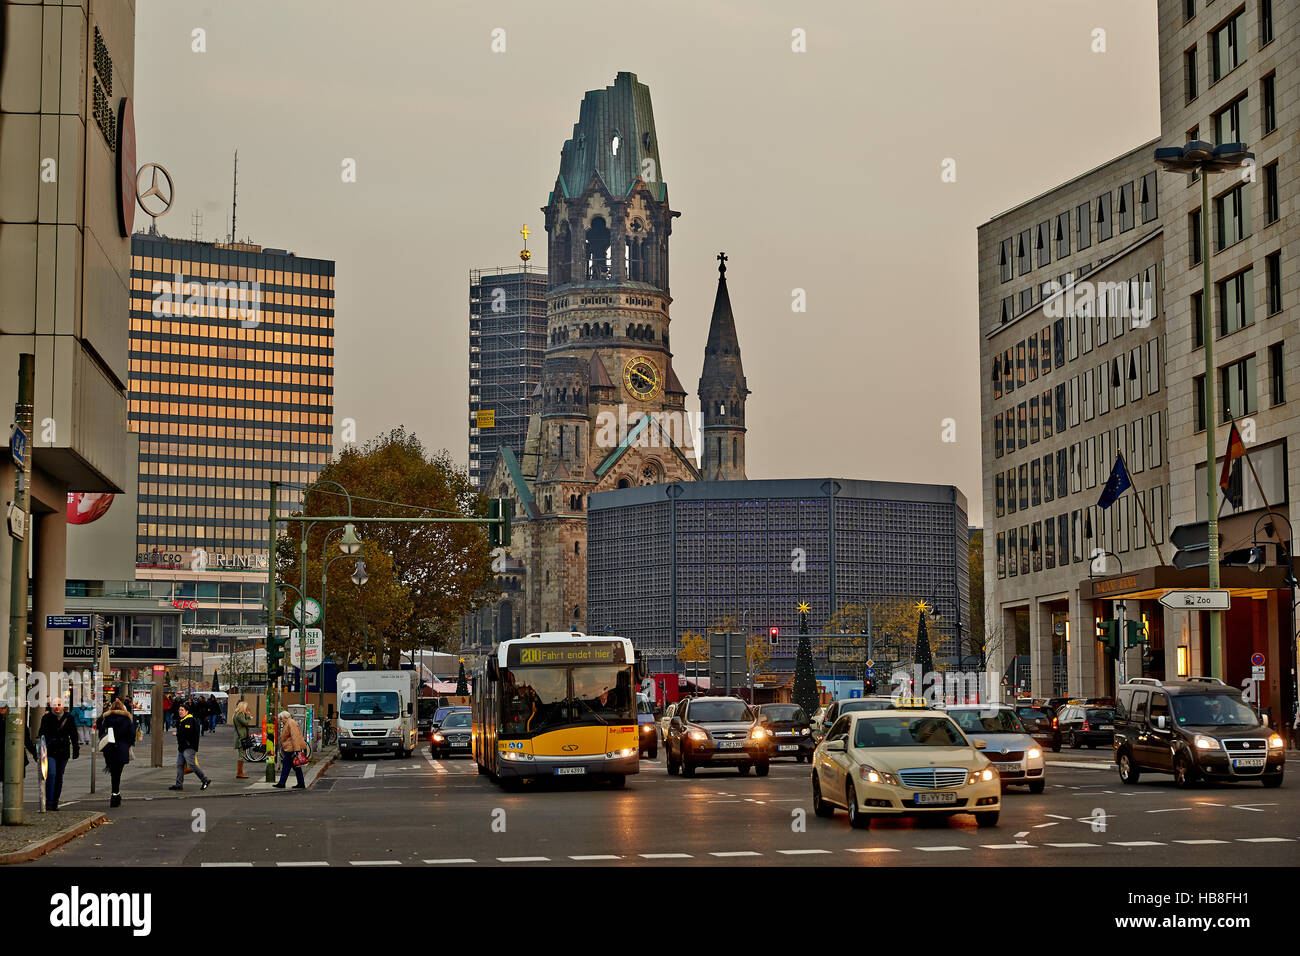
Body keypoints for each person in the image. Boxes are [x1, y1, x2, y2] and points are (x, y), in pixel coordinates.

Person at [36, 697, 80, 811]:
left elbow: (74, 734)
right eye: (55, 705)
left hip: (63, 750)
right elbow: (41, 733)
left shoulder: (69, 718)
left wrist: (76, 748)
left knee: (59, 776)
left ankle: (55, 801)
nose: (57, 707)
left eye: (59, 704)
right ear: (51, 706)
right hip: (50, 750)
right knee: (51, 775)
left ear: (63, 706)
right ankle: (49, 802)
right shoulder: (46, 717)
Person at [98, 698, 135, 808]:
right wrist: (127, 744)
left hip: (109, 749)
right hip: (122, 748)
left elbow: (101, 732)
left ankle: (115, 794)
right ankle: (115, 794)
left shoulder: (107, 719)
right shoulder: (127, 720)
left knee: (113, 772)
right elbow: (132, 736)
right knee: (117, 773)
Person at [168, 702, 211, 791]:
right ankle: (179, 785)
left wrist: (178, 733)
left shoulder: (190, 720)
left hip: (189, 747)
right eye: (179, 710)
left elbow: (188, 732)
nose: (180, 712)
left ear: (187, 711)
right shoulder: (182, 720)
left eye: (182, 710)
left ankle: (205, 779)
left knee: (191, 765)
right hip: (182, 747)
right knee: (180, 765)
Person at [273, 710, 307, 790]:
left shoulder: (290, 723)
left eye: (281, 719)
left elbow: (294, 737)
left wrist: (296, 750)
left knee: (287, 765)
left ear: (284, 717)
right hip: (291, 748)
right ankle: (300, 783)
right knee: (295, 766)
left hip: (291, 748)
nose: (281, 721)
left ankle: (282, 783)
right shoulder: (289, 722)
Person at [232, 700, 252, 779]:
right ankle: (239, 773)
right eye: (246, 707)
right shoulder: (240, 715)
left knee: (242, 754)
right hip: (241, 737)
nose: (247, 708)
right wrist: (248, 716)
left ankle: (240, 772)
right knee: (241, 755)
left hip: (239, 736)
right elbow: (246, 723)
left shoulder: (237, 714)